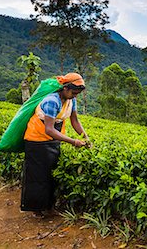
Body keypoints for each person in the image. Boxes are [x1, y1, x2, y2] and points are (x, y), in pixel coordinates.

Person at [21, 73, 88, 218]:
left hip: (54, 139)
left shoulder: (71, 100)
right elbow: (49, 129)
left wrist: (85, 137)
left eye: (77, 93)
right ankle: (36, 209)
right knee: (39, 176)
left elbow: (75, 121)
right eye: (74, 92)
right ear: (65, 88)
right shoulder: (52, 101)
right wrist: (73, 141)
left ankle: (49, 206)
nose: (75, 96)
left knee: (51, 174)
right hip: (36, 140)